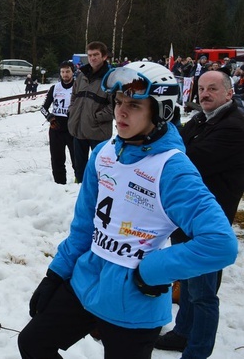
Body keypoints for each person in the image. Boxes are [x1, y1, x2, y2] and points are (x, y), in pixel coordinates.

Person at [18, 61, 238, 359]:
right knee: (32, 343)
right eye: (119, 102)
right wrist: (56, 274)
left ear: (161, 111)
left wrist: (151, 271)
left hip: (133, 302)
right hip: (87, 282)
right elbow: (84, 225)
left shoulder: (172, 167)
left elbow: (220, 244)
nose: (120, 111)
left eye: (134, 105)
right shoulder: (105, 153)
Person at [155, 69, 244, 358]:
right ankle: (182, 333)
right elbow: (177, 143)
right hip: (185, 212)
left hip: (208, 221)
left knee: (204, 293)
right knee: (189, 280)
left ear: (229, 93)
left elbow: (188, 159)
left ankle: (197, 350)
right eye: (201, 88)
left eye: (212, 89)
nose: (204, 94)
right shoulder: (201, 118)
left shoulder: (234, 127)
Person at [67, 41, 113, 183]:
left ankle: (101, 189)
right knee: (79, 163)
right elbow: (74, 94)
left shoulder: (111, 78)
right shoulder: (82, 75)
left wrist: (97, 117)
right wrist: (72, 110)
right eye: (90, 55)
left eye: (96, 55)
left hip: (98, 130)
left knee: (100, 164)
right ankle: (78, 185)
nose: (92, 58)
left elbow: (116, 105)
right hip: (79, 127)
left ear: (104, 57)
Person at [40, 61, 76, 184]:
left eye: (67, 71)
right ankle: (59, 185)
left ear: (72, 72)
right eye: (62, 72)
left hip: (73, 128)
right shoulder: (55, 88)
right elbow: (43, 108)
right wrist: (50, 117)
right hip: (56, 128)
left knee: (77, 160)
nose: (65, 74)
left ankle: (79, 184)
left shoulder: (78, 87)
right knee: (57, 160)